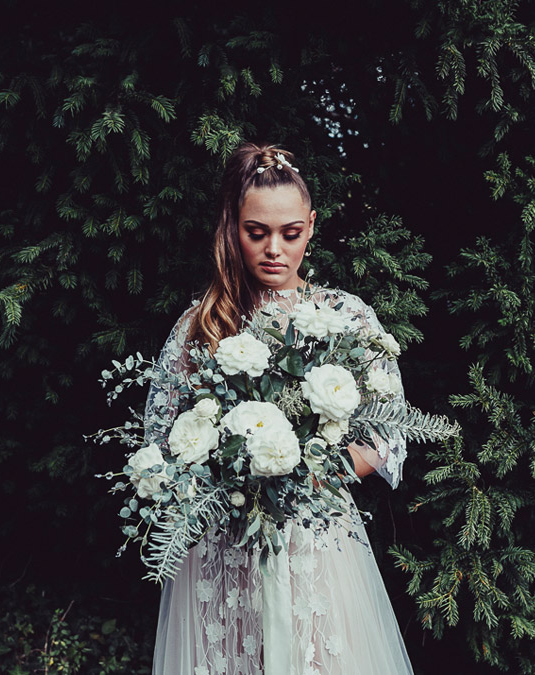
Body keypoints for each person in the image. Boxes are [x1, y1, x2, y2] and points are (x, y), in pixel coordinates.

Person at [145, 143, 415, 675]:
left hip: (314, 541)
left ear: (311, 226)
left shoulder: (345, 317)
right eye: (256, 232)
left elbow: (389, 436)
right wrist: (226, 472)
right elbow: (161, 441)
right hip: (224, 543)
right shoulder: (200, 326)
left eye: (290, 233)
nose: (274, 249)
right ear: (232, 228)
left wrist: (311, 472)